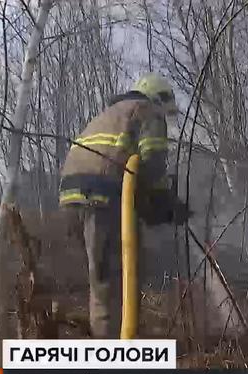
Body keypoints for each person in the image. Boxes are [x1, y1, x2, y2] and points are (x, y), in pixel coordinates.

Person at [58, 73, 188, 339]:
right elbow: (152, 163)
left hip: (71, 199)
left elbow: (128, 170)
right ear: (158, 99)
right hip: (101, 198)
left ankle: (116, 338)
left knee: (101, 280)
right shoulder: (148, 111)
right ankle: (115, 352)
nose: (165, 118)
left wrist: (149, 206)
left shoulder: (110, 115)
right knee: (113, 283)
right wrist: (166, 203)